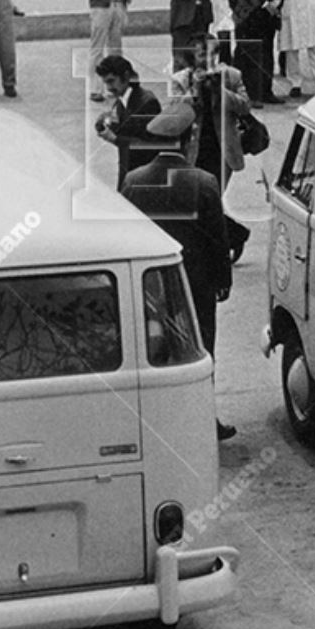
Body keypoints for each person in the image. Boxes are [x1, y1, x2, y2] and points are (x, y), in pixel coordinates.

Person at [120, 103, 237, 442]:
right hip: (196, 283)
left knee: (156, 350)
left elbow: (126, 233)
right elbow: (218, 238)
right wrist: (223, 280)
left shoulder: (133, 181)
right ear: (189, 139)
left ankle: (158, 424)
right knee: (201, 349)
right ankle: (203, 421)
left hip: (151, 282)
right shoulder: (203, 181)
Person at [174, 36, 253, 264]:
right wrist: (195, 92)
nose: (208, 60)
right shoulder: (181, 79)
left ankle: (218, 246)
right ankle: (235, 234)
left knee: (209, 201)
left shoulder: (231, 75)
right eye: (202, 55)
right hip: (193, 151)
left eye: (212, 55)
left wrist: (221, 92)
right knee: (195, 202)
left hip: (222, 150)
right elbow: (175, 111)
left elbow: (245, 105)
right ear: (192, 57)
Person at [94, 55, 163, 188]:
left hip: (145, 180)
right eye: (106, 83)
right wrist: (105, 124)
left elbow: (151, 146)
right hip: (128, 175)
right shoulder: (121, 101)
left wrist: (115, 139)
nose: (108, 88)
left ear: (125, 77)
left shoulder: (148, 103)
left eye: (111, 81)